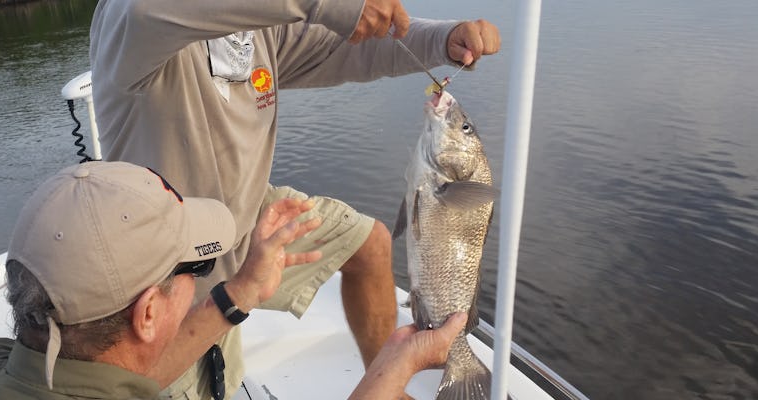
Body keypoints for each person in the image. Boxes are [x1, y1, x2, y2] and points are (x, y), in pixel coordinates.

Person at [88, 0, 501, 397]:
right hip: (166, 263)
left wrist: (442, 40)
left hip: (248, 218)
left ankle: (386, 386)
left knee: (370, 245)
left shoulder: (257, 28)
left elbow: (345, 45)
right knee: (205, 384)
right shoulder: (131, 24)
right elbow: (148, 9)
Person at [0, 161, 468, 399]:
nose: (204, 280)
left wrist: (238, 296)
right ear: (149, 314)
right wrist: (399, 364)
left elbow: (111, 373)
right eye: (196, 268)